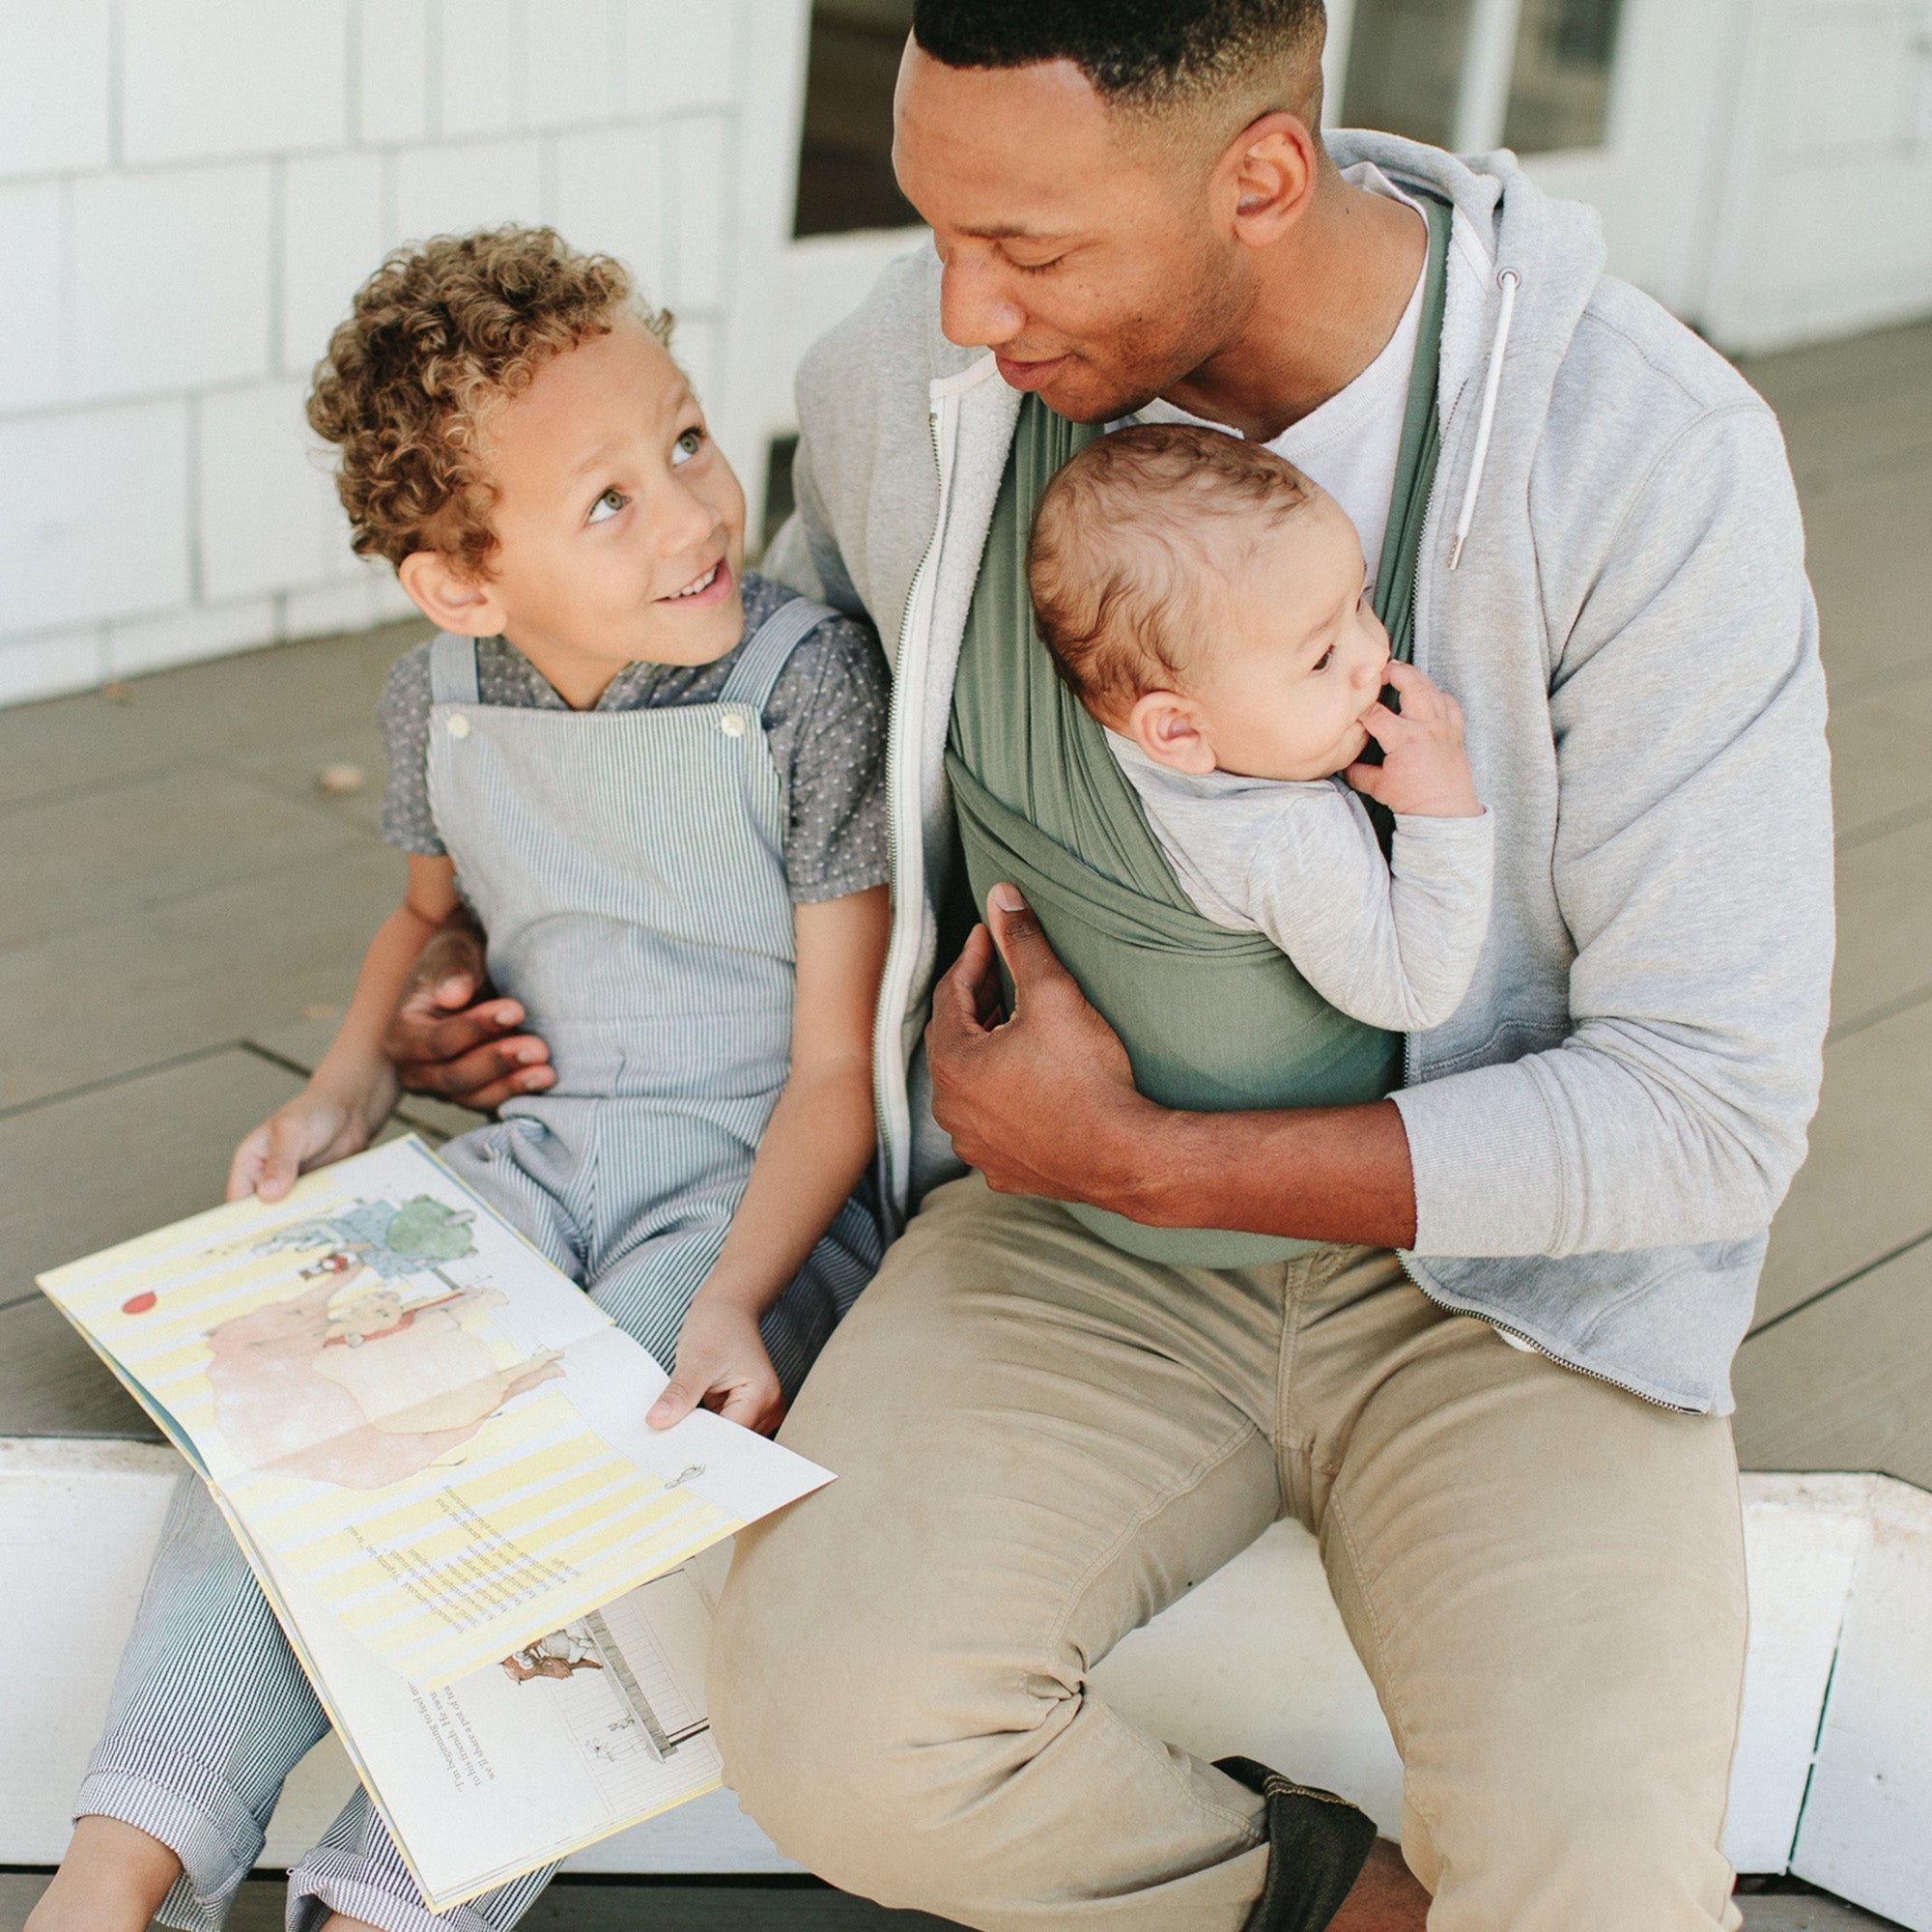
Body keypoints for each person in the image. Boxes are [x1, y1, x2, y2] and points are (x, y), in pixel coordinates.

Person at [384, 6, 1833, 1929]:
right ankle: (1324, 1906)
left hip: (1511, 1308)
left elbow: (1706, 1112)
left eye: (1030, 246)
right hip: (1063, 1251)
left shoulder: (1641, 461)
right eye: (931, 225)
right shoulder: (909, 382)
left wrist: (1153, 1154)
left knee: (1609, 1886)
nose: (961, 307)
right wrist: (512, 947)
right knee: (836, 1721)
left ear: (1259, 176)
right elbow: (754, 745)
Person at [28, 227, 892, 1932]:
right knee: (285, 1420)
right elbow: (423, 927)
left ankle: (390, 1900)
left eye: (689, 443)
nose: (693, 514)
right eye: (610, 502)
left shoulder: (803, 688)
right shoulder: (439, 698)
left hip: (748, 1186)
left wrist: (737, 1299)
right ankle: (118, 1868)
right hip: (539, 1154)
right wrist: (343, 1089)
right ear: (464, 583)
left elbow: (836, 1067)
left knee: (584, 1459)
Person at [1027, 420, 1492, 1035]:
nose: (1372, 656)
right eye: (1322, 657)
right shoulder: (1286, 839)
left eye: (1361, 601)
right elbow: (1414, 995)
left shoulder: (1149, 728)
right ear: (1178, 731)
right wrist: (1440, 806)